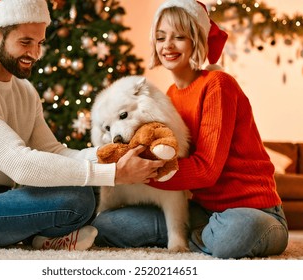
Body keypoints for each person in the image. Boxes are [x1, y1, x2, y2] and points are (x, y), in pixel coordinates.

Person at [0, 0, 164, 251]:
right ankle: (45, 235)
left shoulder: (24, 90)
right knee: (77, 197)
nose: (35, 53)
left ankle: (43, 239)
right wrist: (114, 174)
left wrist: (116, 155)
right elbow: (20, 164)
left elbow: (54, 151)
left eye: (39, 43)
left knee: (88, 189)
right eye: (25, 42)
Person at [92, 0, 289, 259]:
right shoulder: (170, 95)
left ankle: (200, 237)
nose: (167, 46)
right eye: (161, 37)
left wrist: (142, 172)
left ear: (197, 40)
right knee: (106, 226)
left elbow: (206, 171)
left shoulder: (219, 85)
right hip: (202, 210)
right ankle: (200, 234)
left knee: (237, 233)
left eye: (179, 37)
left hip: (254, 211)